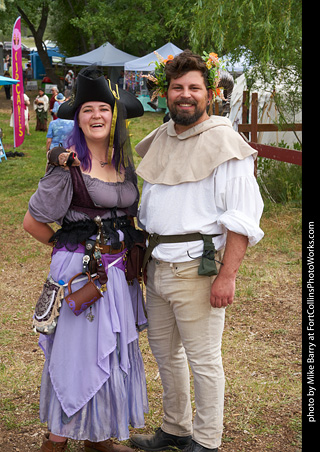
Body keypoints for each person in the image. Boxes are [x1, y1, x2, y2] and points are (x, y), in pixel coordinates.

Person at [130, 50, 264, 452]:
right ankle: (175, 427)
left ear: (210, 94)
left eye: (194, 88)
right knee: (165, 355)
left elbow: (240, 216)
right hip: (157, 269)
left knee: (204, 360)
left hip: (198, 269)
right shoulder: (162, 138)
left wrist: (227, 276)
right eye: (177, 88)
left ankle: (206, 441)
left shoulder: (225, 142)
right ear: (165, 93)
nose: (184, 95)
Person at [23, 66, 148, 452]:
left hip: (119, 274)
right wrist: (70, 249)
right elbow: (33, 223)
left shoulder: (123, 164)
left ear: (115, 116)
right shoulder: (68, 167)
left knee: (110, 351)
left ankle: (99, 435)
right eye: (87, 109)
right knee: (77, 356)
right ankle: (56, 440)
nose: (96, 116)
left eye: (104, 109)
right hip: (83, 277)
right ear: (77, 117)